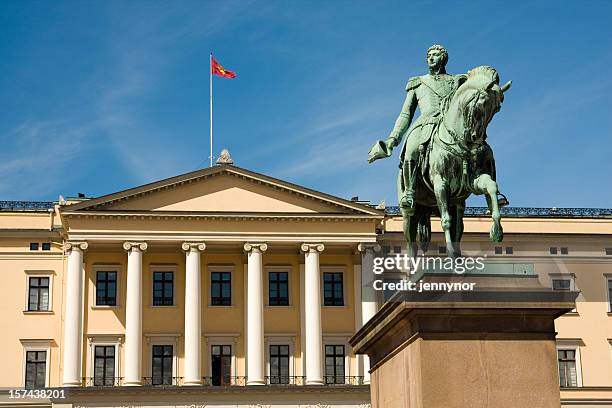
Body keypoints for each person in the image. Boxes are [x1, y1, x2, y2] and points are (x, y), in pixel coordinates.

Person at [371, 44, 466, 215]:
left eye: (435, 55)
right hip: (425, 123)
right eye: (428, 55)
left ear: (443, 59)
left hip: (450, 126)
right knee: (411, 151)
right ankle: (409, 192)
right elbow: (406, 114)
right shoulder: (417, 83)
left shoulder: (456, 81)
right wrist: (393, 139)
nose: (430, 58)